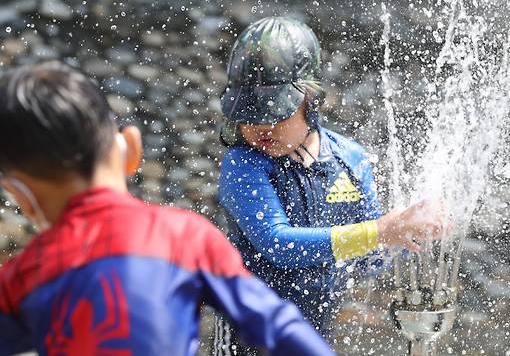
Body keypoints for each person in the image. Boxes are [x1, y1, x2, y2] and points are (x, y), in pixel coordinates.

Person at [0, 61, 334, 356]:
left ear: (20, 196)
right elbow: (276, 325)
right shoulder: (187, 237)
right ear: (132, 148)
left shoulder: (26, 275)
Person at [217, 17, 447, 336]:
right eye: (249, 114)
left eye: (275, 112)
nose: (260, 127)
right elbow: (278, 245)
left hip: (312, 334)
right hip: (247, 336)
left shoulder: (349, 159)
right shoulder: (243, 164)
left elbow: (370, 261)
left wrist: (409, 228)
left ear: (310, 100)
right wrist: (380, 231)